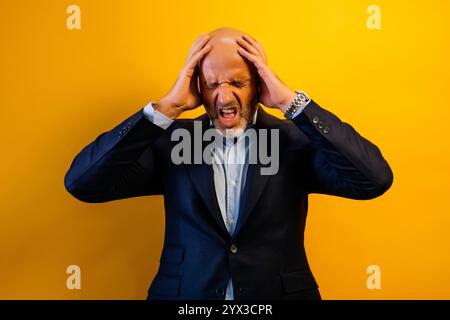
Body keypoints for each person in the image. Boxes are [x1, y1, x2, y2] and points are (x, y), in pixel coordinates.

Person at [64, 27, 393, 300]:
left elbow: (373, 179)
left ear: (259, 84)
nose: (223, 96)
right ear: (198, 87)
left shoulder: (294, 141)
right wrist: (166, 108)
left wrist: (290, 102)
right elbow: (83, 183)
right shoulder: (169, 141)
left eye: (237, 83)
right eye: (212, 84)